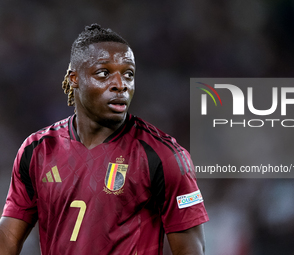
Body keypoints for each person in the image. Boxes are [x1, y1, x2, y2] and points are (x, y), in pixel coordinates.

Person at [0, 24, 208, 255]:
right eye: (104, 73)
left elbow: (191, 250)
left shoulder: (164, 156)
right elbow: (8, 239)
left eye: (128, 74)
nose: (121, 84)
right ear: (74, 79)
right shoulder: (38, 150)